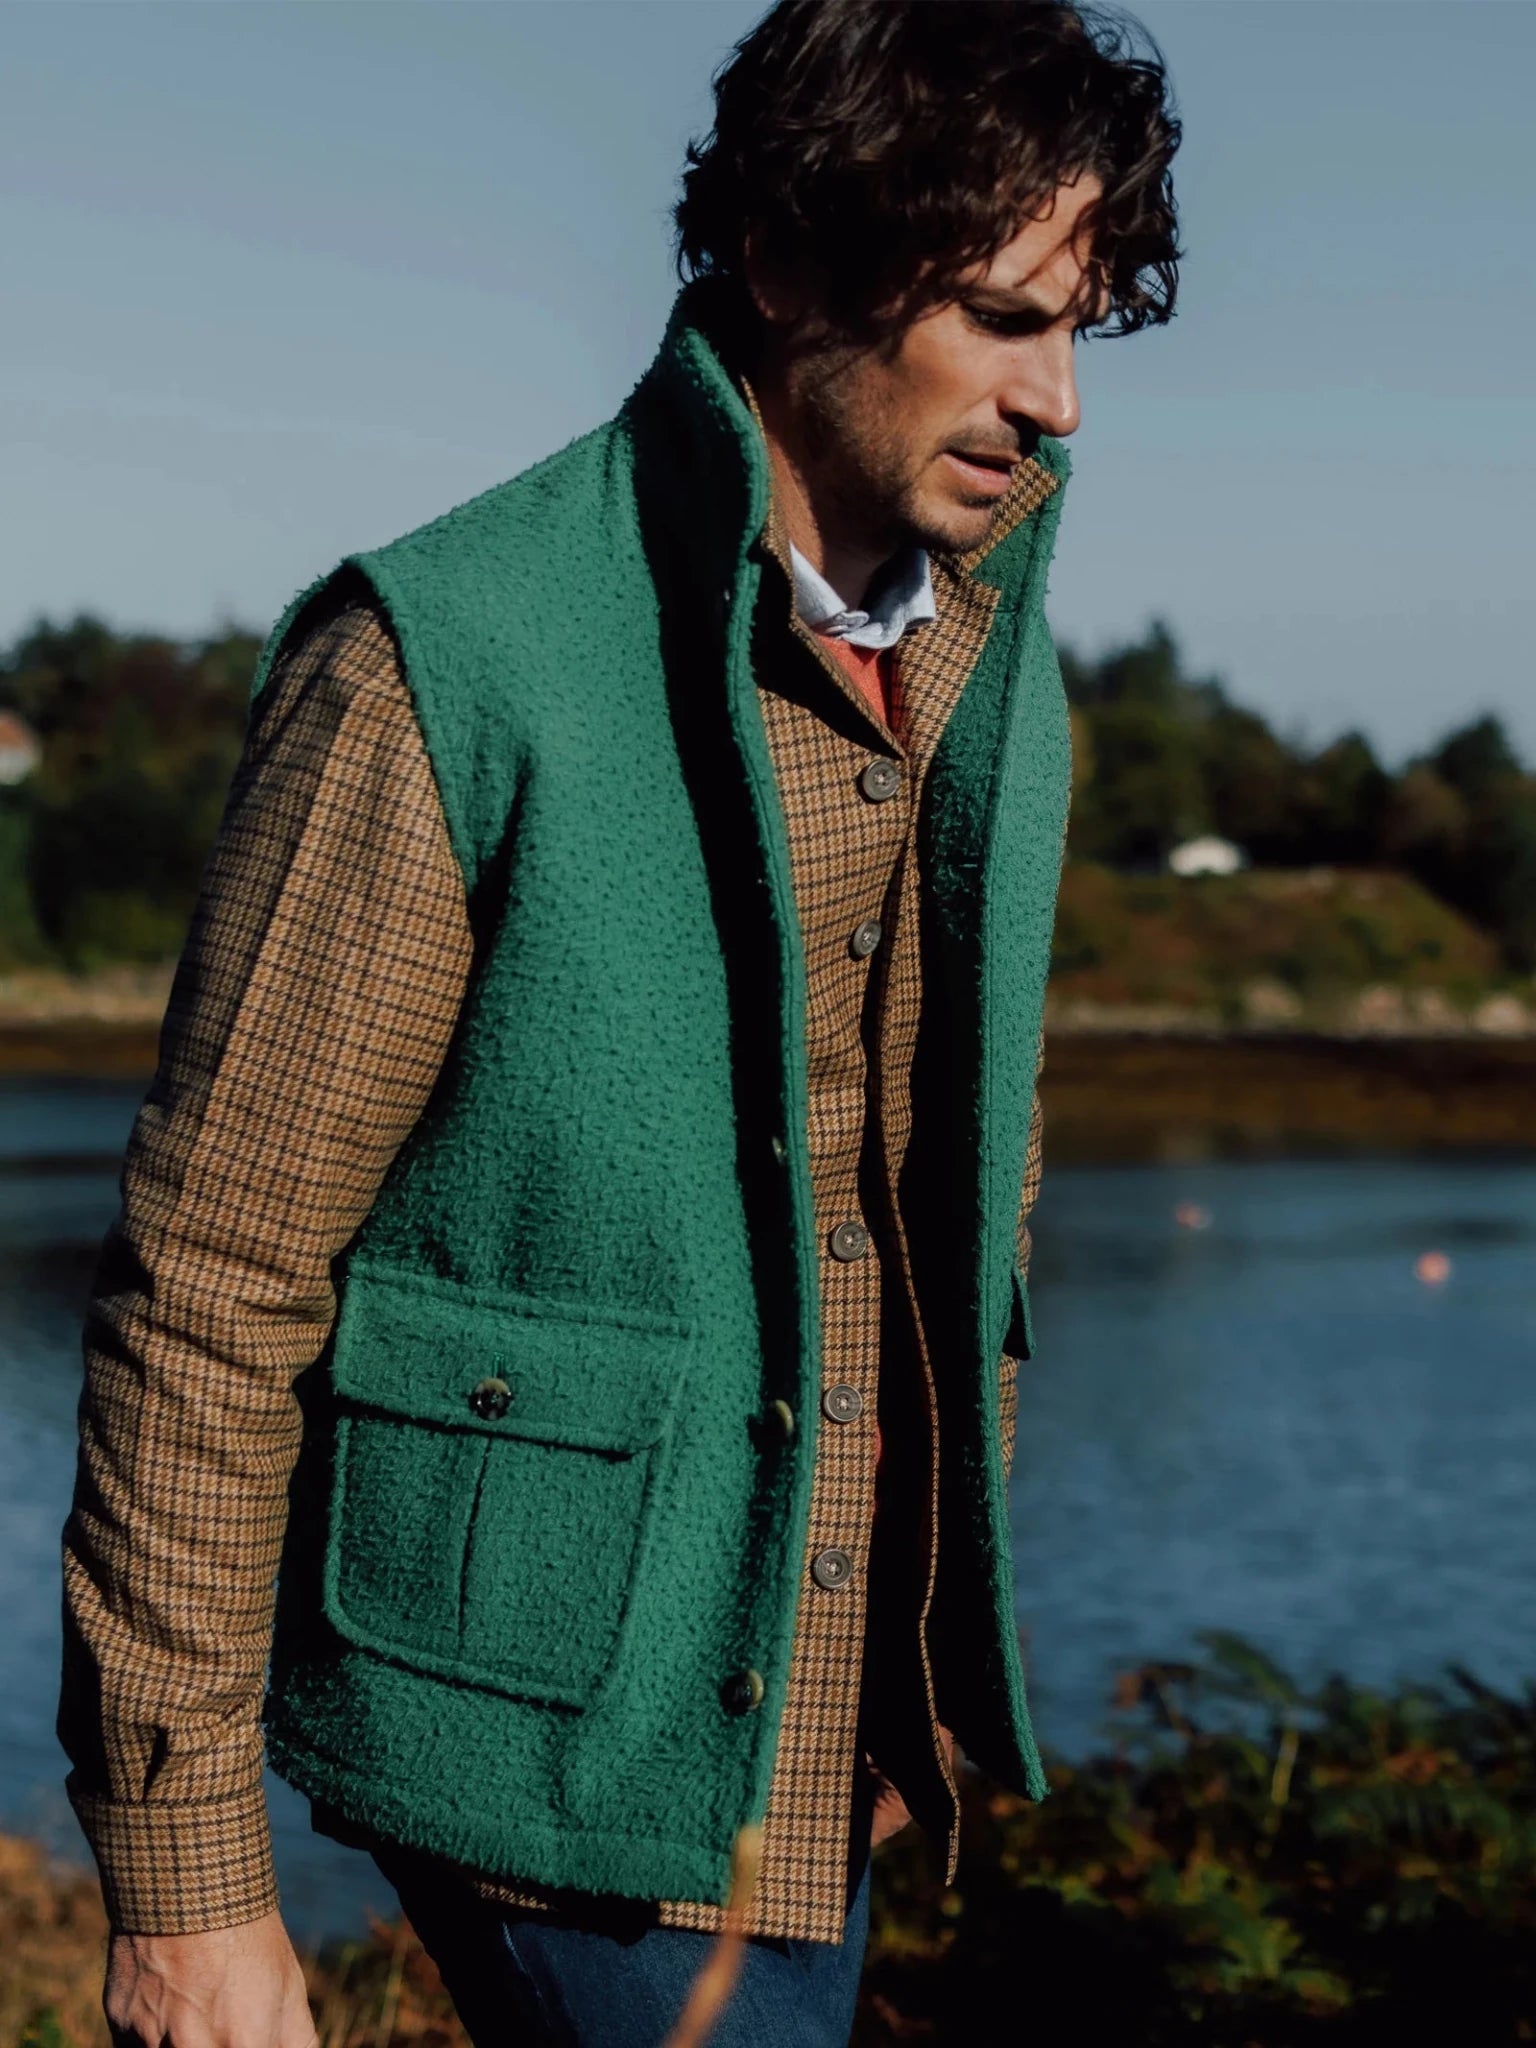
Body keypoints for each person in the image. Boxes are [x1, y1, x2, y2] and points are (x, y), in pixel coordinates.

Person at [61, 2, 1180, 2042]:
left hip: (820, 1717)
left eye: (1083, 323)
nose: (1063, 400)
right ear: (786, 262)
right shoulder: (440, 662)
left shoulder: (991, 656)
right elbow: (210, 1282)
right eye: (1007, 318)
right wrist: (184, 1877)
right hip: (556, 1742)